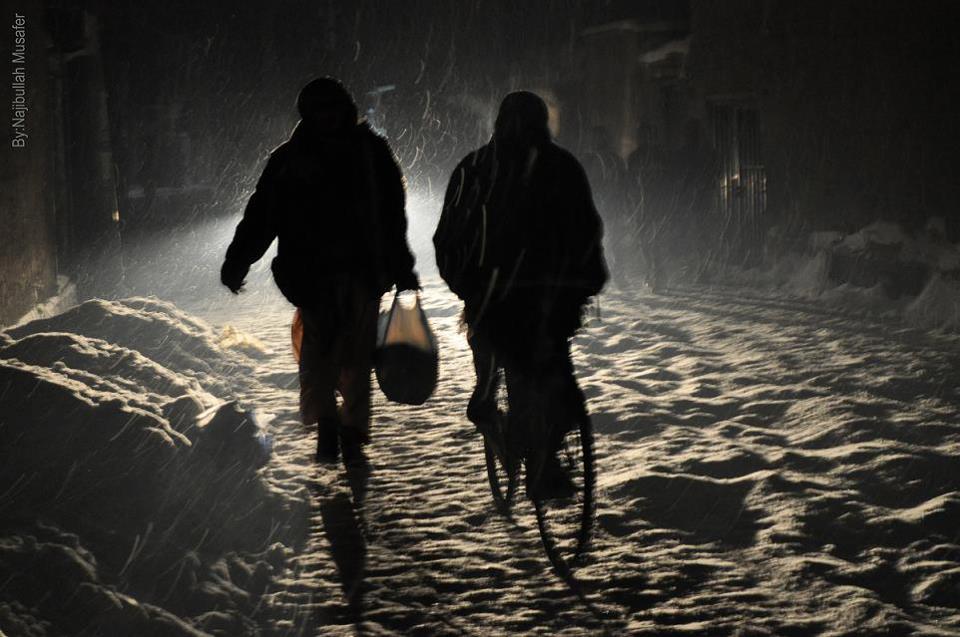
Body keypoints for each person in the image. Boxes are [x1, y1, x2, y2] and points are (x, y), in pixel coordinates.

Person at [221, 77, 419, 463]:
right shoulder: (365, 152)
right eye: (321, 111)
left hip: (329, 273)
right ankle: (343, 426)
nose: (327, 118)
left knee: (328, 352)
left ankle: (334, 423)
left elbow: (263, 214)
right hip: (342, 273)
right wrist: (238, 259)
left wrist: (239, 260)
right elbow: (391, 217)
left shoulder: (296, 157)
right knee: (347, 352)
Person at [433, 91, 608, 497]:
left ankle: (521, 441)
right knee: (548, 379)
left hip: (507, 297)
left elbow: (450, 238)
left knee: (523, 377)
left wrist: (469, 286)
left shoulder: (476, 168)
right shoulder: (560, 166)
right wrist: (586, 279)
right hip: (543, 296)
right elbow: (586, 229)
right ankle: (537, 456)